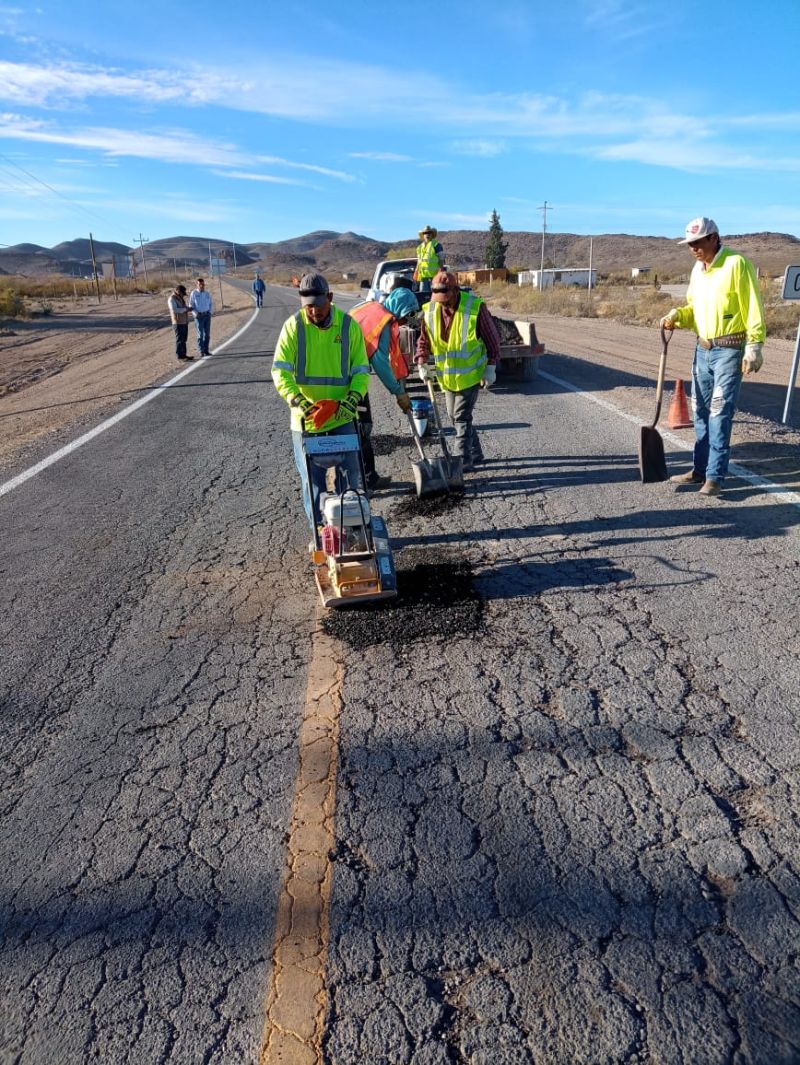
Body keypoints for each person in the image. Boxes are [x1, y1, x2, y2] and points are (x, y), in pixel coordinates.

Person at [661, 217, 766, 497]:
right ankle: (699, 469)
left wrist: (755, 345)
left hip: (729, 350)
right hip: (703, 349)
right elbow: (694, 309)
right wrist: (677, 316)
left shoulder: (736, 264)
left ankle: (715, 475)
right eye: (690, 244)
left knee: (719, 412)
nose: (693, 248)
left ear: (714, 238)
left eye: (698, 242)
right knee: (700, 412)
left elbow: (753, 306)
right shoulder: (698, 270)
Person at [271, 273, 370, 534]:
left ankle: (350, 530)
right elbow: (280, 371)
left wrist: (351, 400)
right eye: (308, 306)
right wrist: (300, 402)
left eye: (319, 305)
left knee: (350, 478)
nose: (314, 311)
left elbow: (361, 370)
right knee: (312, 482)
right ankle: (321, 534)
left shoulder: (349, 327)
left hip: (342, 416)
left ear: (331, 298)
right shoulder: (293, 327)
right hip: (307, 419)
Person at [414, 270, 500, 471]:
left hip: (470, 375)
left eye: (445, 298)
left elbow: (493, 340)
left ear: (455, 290)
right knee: (455, 417)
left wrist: (491, 367)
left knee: (460, 417)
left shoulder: (474, 308)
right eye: (438, 298)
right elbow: (423, 340)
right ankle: (476, 452)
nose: (441, 302)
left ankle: (462, 460)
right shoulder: (430, 310)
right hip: (447, 377)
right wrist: (421, 361)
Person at [349, 287, 418, 489]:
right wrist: (398, 392)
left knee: (355, 427)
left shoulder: (370, 306)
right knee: (362, 427)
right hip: (349, 378)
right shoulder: (384, 322)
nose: (405, 322)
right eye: (406, 316)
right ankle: (365, 481)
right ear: (400, 309)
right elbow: (379, 362)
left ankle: (366, 478)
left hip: (342, 371)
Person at [414, 226, 445, 296]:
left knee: (435, 295)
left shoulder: (437, 245)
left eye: (429, 233)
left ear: (432, 234)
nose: (427, 234)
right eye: (425, 233)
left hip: (434, 277)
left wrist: (441, 272)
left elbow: (441, 259)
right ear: (423, 235)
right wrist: (416, 272)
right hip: (423, 277)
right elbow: (419, 261)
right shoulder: (419, 248)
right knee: (423, 296)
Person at [167, 284, 193, 362]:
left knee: (184, 339)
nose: (183, 295)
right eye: (182, 293)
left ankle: (184, 355)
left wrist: (188, 308)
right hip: (177, 322)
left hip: (184, 322)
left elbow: (183, 308)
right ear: (178, 291)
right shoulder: (172, 299)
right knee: (179, 340)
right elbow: (175, 309)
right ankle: (180, 356)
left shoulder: (180, 298)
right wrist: (185, 309)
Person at [189, 277, 213, 357]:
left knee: (207, 335)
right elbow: (191, 305)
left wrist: (210, 312)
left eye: (203, 284)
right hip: (199, 316)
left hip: (207, 315)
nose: (201, 286)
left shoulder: (207, 293)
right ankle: (201, 351)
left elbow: (210, 304)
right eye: (200, 284)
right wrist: (196, 314)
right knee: (200, 334)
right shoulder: (194, 293)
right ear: (197, 285)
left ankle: (206, 350)